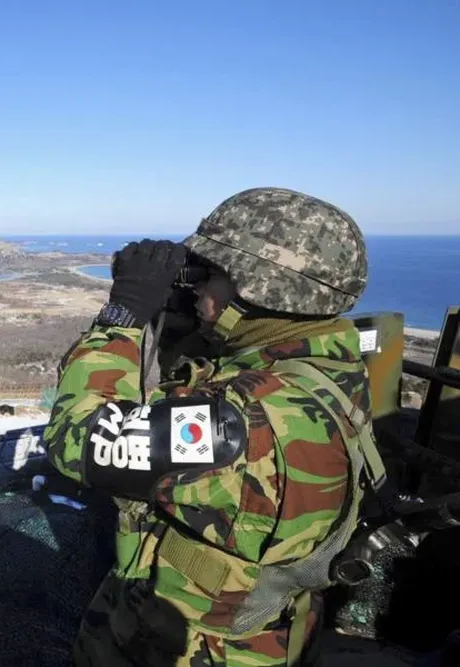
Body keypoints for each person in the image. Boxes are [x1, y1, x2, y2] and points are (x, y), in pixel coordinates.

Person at [43, 187, 389, 666]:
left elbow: (75, 438)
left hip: (190, 650)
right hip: (260, 630)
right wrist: (195, 322)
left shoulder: (241, 422)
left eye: (212, 274)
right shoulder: (329, 367)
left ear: (257, 287)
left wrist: (122, 316)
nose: (198, 286)